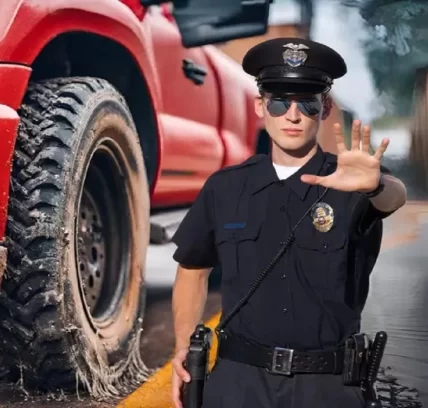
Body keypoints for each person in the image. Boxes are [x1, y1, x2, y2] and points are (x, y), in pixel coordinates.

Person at [170, 37, 408, 408]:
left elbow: (393, 197)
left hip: (328, 386)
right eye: (279, 101)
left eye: (307, 103)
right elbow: (192, 267)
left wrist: (376, 184)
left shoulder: (352, 181)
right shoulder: (224, 187)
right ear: (259, 106)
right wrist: (185, 349)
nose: (292, 115)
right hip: (236, 383)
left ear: (325, 108)